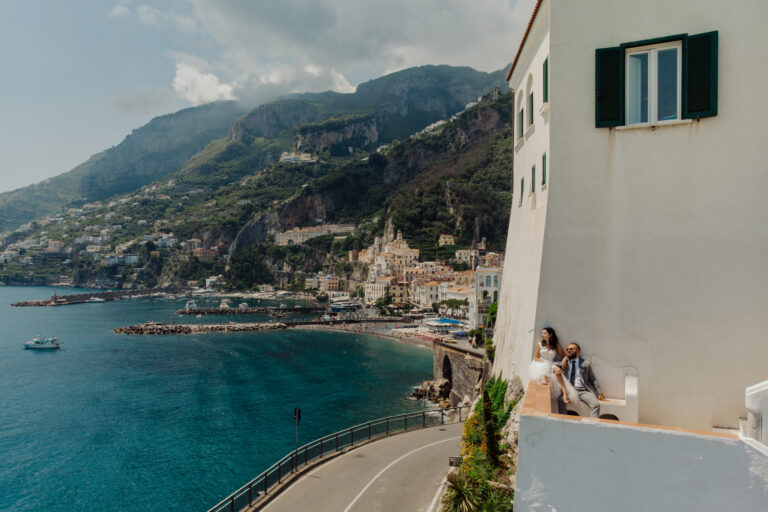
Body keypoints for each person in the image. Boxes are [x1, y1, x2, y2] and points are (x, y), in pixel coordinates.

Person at [554, 342, 604, 417]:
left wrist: (599, 392)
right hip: (569, 390)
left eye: (571, 349)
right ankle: (563, 421)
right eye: (567, 349)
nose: (568, 350)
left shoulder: (585, 363)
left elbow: (592, 379)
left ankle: (593, 425)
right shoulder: (565, 363)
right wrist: (556, 366)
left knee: (596, 405)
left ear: (578, 351)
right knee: (560, 400)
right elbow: (552, 365)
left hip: (583, 391)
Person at [528, 327, 572, 403]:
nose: (542, 335)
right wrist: (545, 362)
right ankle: (544, 377)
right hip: (541, 363)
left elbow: (564, 355)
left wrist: (564, 360)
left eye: (545, 333)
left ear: (550, 335)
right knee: (549, 369)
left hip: (552, 363)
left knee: (558, 372)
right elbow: (536, 358)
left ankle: (565, 394)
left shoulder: (556, 345)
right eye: (542, 333)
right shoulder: (539, 345)